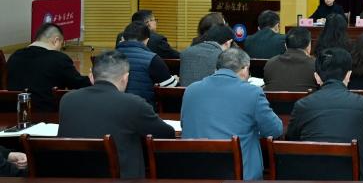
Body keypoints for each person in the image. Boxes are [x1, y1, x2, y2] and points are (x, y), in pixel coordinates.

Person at [57, 51, 176, 178]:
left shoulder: (67, 99)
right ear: (125, 78)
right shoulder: (133, 104)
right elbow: (167, 134)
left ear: (91, 76)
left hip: (73, 177)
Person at [285, 47, 363, 180]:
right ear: (348, 75)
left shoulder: (302, 106)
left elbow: (291, 140)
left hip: (311, 178)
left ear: (317, 77)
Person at [181, 47, 283, 180]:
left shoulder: (191, 90)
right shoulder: (252, 92)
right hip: (239, 175)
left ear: (216, 68)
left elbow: (184, 124)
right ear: (245, 69)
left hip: (195, 173)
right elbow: (275, 130)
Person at [6, 23, 90, 111]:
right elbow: (80, 85)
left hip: (13, 115)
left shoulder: (14, 56)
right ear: (56, 40)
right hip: (47, 115)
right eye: (61, 45)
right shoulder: (59, 58)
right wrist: (91, 78)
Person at [115, 20, 178, 105]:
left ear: (123, 38)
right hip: (143, 108)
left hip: (113, 106)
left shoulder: (108, 57)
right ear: (147, 40)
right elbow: (170, 87)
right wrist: (175, 79)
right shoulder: (152, 58)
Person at [263, 26, 317, 92]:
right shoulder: (316, 65)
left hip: (274, 99)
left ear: (285, 45)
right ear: (309, 46)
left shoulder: (270, 63)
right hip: (307, 98)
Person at [114, 9, 178, 59]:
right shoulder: (158, 39)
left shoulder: (121, 36)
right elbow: (176, 56)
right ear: (148, 23)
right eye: (154, 20)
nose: (156, 22)